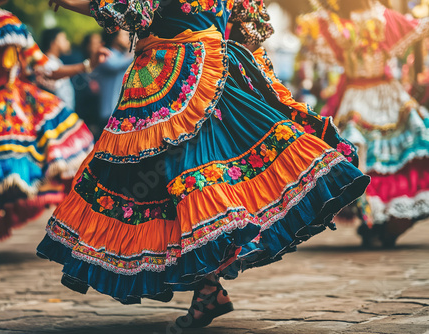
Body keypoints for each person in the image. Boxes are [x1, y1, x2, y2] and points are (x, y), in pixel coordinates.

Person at [37, 0, 369, 328]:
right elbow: (249, 25)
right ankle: (210, 285)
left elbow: (128, 9)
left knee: (181, 179)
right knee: (192, 178)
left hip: (175, 72)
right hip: (217, 65)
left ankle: (210, 284)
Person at [0, 0, 109, 256]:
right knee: (0, 169)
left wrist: (87, 65)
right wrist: (86, 65)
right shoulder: (3, 23)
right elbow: (45, 68)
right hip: (3, 108)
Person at [298, 0, 429, 247]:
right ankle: (379, 221)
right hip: (374, 94)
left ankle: (381, 221)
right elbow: (420, 26)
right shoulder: (370, 18)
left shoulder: (334, 22)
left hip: (363, 95)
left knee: (363, 158)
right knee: (365, 157)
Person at [93, 30, 134, 125]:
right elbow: (116, 65)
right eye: (126, 35)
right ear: (115, 37)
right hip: (109, 113)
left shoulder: (123, 56)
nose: (129, 38)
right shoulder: (106, 55)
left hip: (121, 112)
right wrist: (135, 50)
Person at [73, 32, 103, 136]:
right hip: (84, 115)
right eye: (95, 43)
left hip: (100, 115)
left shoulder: (103, 62)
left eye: (100, 42)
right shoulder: (79, 62)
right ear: (87, 45)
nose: (98, 46)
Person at [40, 28, 77, 110]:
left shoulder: (57, 61)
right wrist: (85, 66)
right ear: (54, 43)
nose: (68, 42)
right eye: (64, 39)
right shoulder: (46, 63)